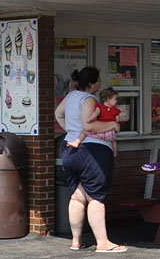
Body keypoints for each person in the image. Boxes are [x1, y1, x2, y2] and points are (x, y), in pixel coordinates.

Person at [54, 66, 127, 253]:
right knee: (96, 197)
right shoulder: (89, 99)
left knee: (77, 197)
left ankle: (76, 242)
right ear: (93, 84)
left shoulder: (71, 96)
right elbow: (89, 124)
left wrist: (71, 131)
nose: (100, 83)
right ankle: (103, 243)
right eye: (99, 80)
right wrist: (112, 124)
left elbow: (58, 114)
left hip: (70, 150)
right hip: (92, 151)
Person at [68, 87, 121, 156]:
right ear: (108, 100)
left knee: (84, 132)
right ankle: (114, 153)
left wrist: (89, 119)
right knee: (113, 141)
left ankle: (76, 142)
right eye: (115, 99)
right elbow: (117, 120)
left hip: (99, 130)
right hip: (109, 132)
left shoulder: (100, 107)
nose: (116, 101)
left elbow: (95, 113)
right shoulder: (115, 110)